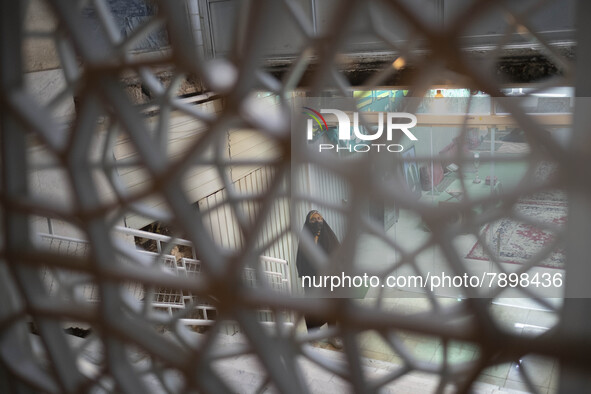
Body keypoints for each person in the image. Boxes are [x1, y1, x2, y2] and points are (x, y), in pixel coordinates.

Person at [295, 210, 343, 349]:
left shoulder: (329, 237)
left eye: (319, 218)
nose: (317, 221)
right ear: (308, 223)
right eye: (313, 219)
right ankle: (313, 336)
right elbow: (300, 261)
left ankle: (332, 336)